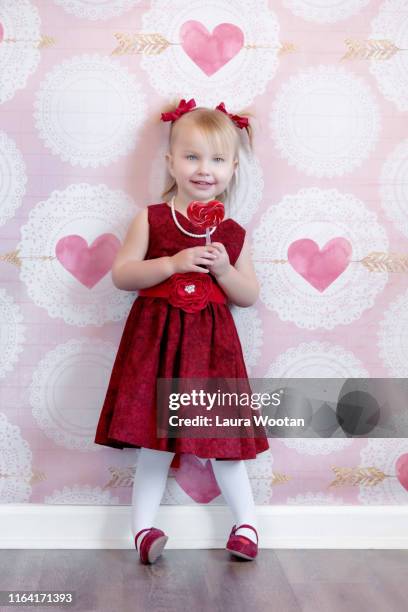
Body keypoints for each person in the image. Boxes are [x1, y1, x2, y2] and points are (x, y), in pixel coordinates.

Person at [94, 98, 270, 564]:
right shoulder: (150, 218)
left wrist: (226, 270)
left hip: (212, 351)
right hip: (156, 345)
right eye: (191, 156)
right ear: (170, 160)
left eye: (217, 160)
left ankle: (246, 525)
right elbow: (123, 275)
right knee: (154, 442)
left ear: (233, 168)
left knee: (223, 443)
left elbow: (248, 295)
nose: (203, 170)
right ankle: (144, 530)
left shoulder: (232, 233)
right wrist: (171, 263)